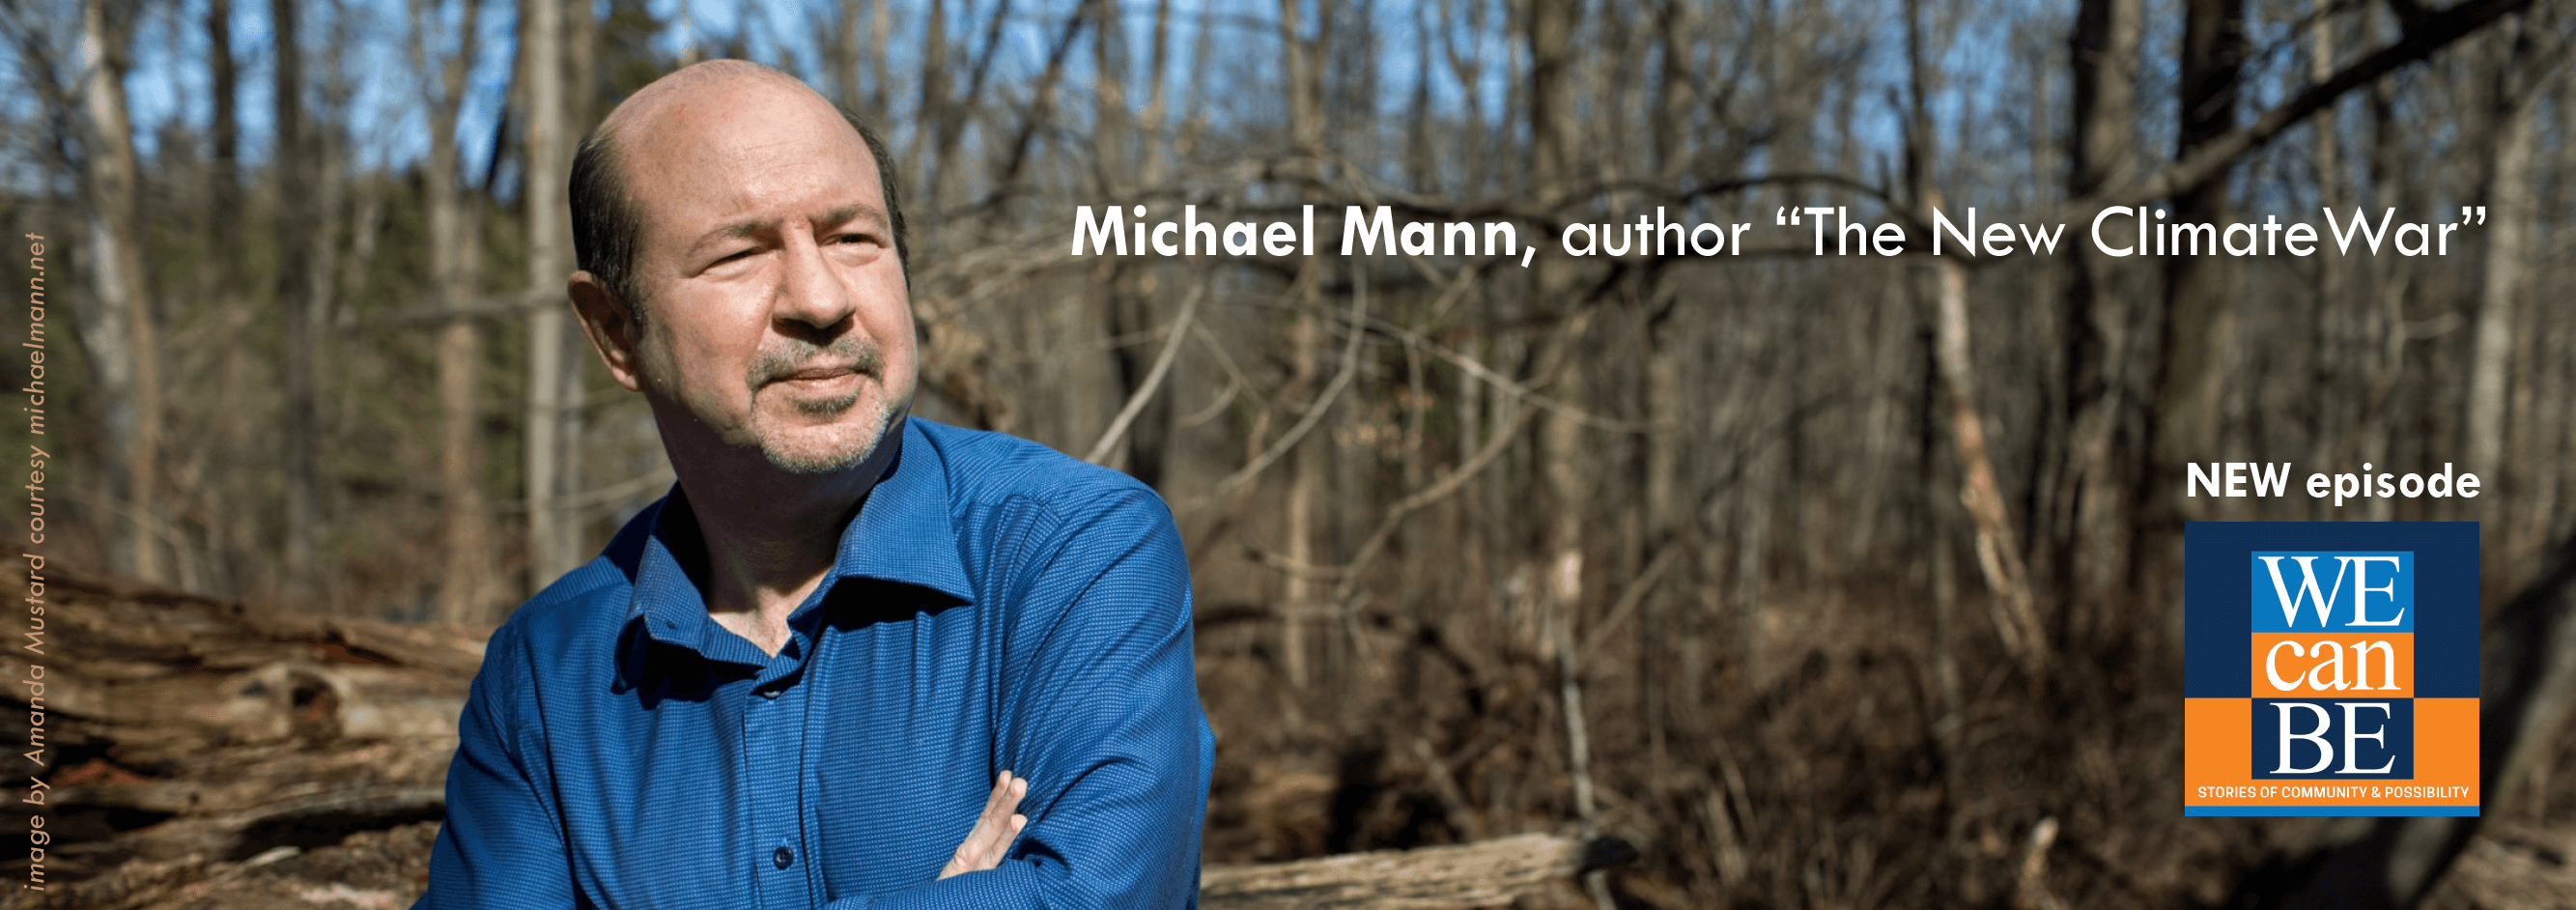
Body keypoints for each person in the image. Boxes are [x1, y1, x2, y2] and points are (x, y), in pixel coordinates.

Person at [415, 60, 1213, 910]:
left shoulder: (1073, 553)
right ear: (615, 331)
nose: (821, 298)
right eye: (740, 253)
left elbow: (1096, 897)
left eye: (851, 238)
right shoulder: (543, 674)